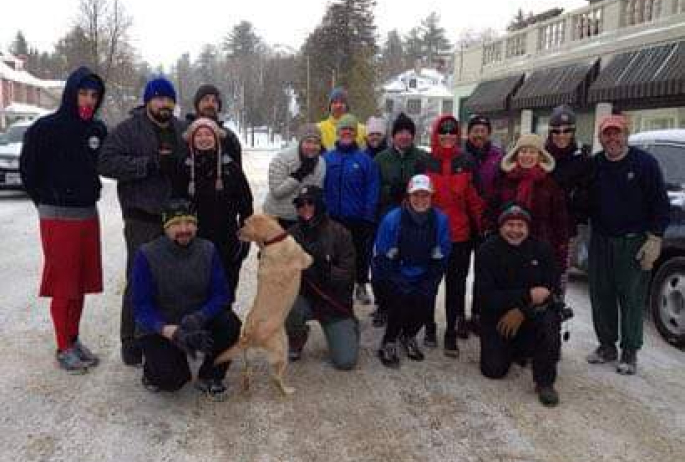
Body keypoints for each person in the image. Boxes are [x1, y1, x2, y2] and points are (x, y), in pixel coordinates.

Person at [19, 66, 107, 374]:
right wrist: (46, 203)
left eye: (94, 95)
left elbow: (105, 164)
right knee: (63, 284)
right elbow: (28, 171)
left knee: (81, 283)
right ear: (71, 92)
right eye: (83, 93)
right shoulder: (46, 128)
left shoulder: (97, 130)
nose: (88, 100)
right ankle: (62, 347)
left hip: (87, 214)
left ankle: (73, 338)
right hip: (57, 217)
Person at [99, 76, 187, 366]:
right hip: (141, 217)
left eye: (169, 99)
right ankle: (131, 341)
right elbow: (106, 162)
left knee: (171, 279)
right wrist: (146, 165)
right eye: (159, 98)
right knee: (139, 279)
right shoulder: (129, 129)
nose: (164, 104)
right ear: (148, 101)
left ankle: (165, 335)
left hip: (175, 219)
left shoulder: (180, 129)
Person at [586, 115, 670, 375]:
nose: (612, 139)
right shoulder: (596, 164)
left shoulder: (644, 164)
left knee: (631, 297)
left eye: (617, 133)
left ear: (626, 135)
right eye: (607, 134)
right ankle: (607, 345)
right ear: (600, 138)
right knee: (601, 294)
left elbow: (660, 203)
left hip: (632, 242)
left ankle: (630, 351)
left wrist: (655, 238)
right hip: (601, 239)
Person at [132, 199, 241, 398]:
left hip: (194, 320)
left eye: (189, 223)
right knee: (173, 381)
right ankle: (152, 370)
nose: (184, 229)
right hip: (162, 326)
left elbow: (221, 294)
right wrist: (167, 330)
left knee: (230, 323)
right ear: (166, 227)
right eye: (176, 224)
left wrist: (200, 317)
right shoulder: (146, 254)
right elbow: (141, 307)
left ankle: (210, 375)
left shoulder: (208, 250)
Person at [475, 203, 562, 407]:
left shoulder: (542, 249)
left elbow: (551, 290)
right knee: (493, 371)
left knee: (550, 321)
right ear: (501, 226)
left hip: (533, 314)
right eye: (510, 224)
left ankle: (545, 382)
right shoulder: (487, 250)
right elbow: (485, 297)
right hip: (497, 316)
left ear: (528, 227)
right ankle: (514, 350)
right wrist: (527, 295)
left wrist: (522, 311)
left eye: (520, 225)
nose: (515, 230)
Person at [420, 115, 485, 355]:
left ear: (458, 135)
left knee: (456, 287)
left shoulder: (466, 161)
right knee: (429, 284)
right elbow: (416, 198)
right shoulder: (425, 162)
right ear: (436, 134)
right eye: (443, 133)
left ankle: (450, 331)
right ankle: (428, 326)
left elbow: (475, 201)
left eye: (452, 133)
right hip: (431, 234)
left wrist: (482, 229)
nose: (447, 137)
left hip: (460, 237)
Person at [373, 174, 451, 368]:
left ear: (432, 197)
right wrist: (396, 279)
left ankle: (408, 336)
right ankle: (389, 341)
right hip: (396, 273)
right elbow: (381, 253)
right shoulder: (393, 219)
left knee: (424, 303)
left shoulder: (440, 220)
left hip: (424, 272)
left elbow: (443, 253)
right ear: (408, 196)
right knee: (400, 302)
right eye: (416, 195)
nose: (420, 200)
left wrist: (430, 280)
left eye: (425, 195)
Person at [285, 186, 359, 369]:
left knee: (346, 362)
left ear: (320, 205)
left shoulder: (340, 233)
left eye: (310, 203)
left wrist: (323, 269)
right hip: (304, 299)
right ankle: (297, 336)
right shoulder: (290, 235)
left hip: (333, 301)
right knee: (286, 303)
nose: (305, 208)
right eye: (300, 204)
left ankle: (350, 327)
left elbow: (348, 276)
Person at [180, 117, 253, 302]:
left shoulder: (231, 168)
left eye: (208, 134)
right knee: (196, 296)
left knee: (225, 294)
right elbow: (175, 204)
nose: (204, 138)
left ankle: (225, 327)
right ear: (192, 139)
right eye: (199, 135)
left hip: (226, 242)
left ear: (216, 138)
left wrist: (244, 240)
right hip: (193, 243)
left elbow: (246, 204)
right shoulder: (183, 168)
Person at [489, 134, 569, 288]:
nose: (527, 156)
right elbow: (492, 211)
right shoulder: (504, 181)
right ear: (516, 154)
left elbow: (560, 221)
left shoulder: (550, 185)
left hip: (539, 248)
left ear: (540, 156)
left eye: (532, 152)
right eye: (523, 151)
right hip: (506, 246)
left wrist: (560, 253)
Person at [372, 112, 428, 326]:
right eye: (400, 132)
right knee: (383, 262)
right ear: (393, 136)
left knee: (408, 262)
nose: (404, 136)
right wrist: (390, 191)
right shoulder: (381, 159)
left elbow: (427, 187)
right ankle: (383, 304)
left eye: (408, 133)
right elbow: (374, 189)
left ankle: (406, 304)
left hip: (415, 219)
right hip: (387, 217)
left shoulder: (421, 158)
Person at [323, 114, 380, 305]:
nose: (346, 132)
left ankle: (361, 284)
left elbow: (372, 189)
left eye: (350, 130)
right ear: (338, 133)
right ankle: (334, 286)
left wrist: (368, 215)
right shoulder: (327, 158)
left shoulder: (364, 160)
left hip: (357, 217)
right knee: (334, 253)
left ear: (355, 133)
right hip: (332, 217)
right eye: (343, 129)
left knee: (359, 253)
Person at [544, 105, 595, 297]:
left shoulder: (582, 160)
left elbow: (589, 196)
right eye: (556, 131)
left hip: (566, 231)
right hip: (540, 227)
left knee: (559, 277)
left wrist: (574, 206)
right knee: (535, 274)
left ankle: (554, 320)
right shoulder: (542, 156)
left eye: (566, 131)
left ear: (573, 132)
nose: (561, 135)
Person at [463, 114, 504, 336]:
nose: (479, 134)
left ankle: (479, 314)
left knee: (484, 271)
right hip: (462, 221)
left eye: (483, 130)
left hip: (487, 222)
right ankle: (458, 315)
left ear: (489, 133)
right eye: (475, 130)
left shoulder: (498, 157)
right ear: (468, 133)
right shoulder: (461, 154)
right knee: (458, 272)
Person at [263, 123, 326, 230]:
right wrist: (298, 175)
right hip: (277, 217)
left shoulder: (321, 163)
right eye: (308, 141)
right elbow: (277, 192)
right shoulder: (282, 158)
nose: (312, 146)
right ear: (301, 142)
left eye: (316, 143)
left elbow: (316, 192)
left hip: (301, 219)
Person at [185, 84, 243, 169]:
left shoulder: (229, 137)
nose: (210, 104)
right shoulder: (184, 133)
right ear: (197, 104)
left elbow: (238, 174)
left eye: (214, 101)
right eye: (206, 100)